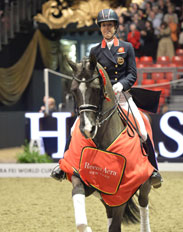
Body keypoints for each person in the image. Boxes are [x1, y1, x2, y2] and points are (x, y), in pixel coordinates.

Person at [52, 8, 162, 187]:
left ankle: (153, 170)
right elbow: (90, 75)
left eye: (110, 25)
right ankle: (62, 167)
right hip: (101, 99)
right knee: (74, 130)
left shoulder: (126, 47)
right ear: (100, 28)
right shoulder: (95, 51)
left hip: (122, 97)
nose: (107, 28)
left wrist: (121, 85)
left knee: (142, 129)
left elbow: (132, 74)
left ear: (116, 27)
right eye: (104, 26)